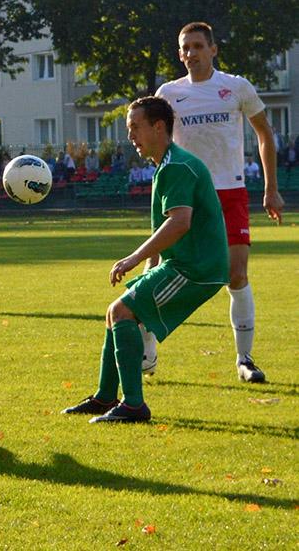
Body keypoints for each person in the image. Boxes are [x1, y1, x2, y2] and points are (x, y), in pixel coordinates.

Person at [62, 96, 229, 423]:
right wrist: (150, 268)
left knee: (122, 311)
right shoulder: (167, 165)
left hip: (195, 268)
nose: (131, 136)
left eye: (135, 127)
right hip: (183, 264)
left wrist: (135, 258)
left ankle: (134, 405)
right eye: (129, 128)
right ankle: (105, 397)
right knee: (116, 313)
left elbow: (180, 222)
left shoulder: (176, 167)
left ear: (159, 126)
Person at [155, 22, 284, 383]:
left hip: (229, 193)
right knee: (164, 272)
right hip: (187, 195)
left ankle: (245, 360)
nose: (191, 53)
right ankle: (147, 347)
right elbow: (157, 144)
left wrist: (271, 188)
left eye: (198, 46)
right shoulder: (168, 93)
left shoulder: (236, 87)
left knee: (236, 274)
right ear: (180, 55)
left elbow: (264, 133)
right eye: (185, 48)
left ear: (213, 49)